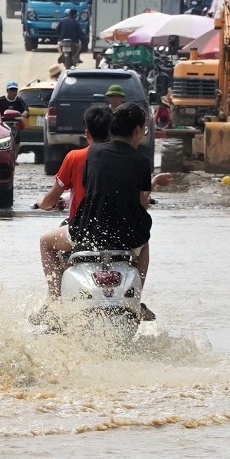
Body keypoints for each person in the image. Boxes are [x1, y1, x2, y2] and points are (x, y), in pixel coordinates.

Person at [69, 103, 169, 311]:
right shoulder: (142, 160)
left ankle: (54, 302)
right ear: (138, 130)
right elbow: (142, 204)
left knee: (47, 243)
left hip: (90, 231)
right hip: (127, 236)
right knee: (145, 245)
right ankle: (136, 299)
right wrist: (155, 182)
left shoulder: (94, 152)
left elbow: (89, 188)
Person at [35, 103, 113, 300]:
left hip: (82, 231)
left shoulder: (75, 157)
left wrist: (43, 203)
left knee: (45, 242)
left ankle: (54, 302)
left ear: (87, 133)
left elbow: (51, 199)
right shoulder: (122, 158)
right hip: (116, 230)